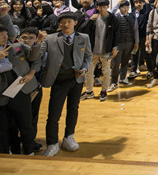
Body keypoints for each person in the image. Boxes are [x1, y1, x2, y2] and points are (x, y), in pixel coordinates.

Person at [35, 12, 92, 156]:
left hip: (76, 79)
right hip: (58, 80)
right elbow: (37, 55)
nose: (65, 24)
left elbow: (88, 56)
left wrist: (84, 68)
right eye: (62, 22)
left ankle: (69, 137)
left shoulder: (83, 38)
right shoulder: (50, 38)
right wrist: (37, 43)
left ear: (75, 23)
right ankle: (52, 143)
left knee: (73, 110)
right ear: (59, 24)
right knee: (54, 114)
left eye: (69, 21)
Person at [0, 25, 42, 155]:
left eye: (6, 34)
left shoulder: (16, 47)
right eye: (2, 35)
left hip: (20, 90)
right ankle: (9, 151)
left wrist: (31, 73)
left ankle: (29, 150)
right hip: (1, 95)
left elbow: (35, 58)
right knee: (4, 127)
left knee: (26, 123)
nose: (5, 37)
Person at [79, 0, 119, 102]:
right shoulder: (93, 18)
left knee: (106, 72)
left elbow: (116, 34)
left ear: (108, 6)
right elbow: (83, 30)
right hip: (92, 50)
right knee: (89, 72)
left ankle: (104, 90)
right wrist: (90, 21)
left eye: (104, 6)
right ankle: (89, 91)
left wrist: (115, 48)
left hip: (106, 50)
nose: (101, 9)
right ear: (96, 7)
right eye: (99, 6)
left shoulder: (112, 18)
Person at [109, 0, 139, 91]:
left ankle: (122, 78)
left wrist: (136, 42)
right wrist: (117, 3)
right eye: (123, 7)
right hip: (118, 43)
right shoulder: (115, 16)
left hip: (129, 42)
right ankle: (113, 82)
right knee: (115, 63)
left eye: (127, 7)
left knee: (125, 62)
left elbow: (135, 30)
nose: (125, 9)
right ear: (119, 8)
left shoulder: (132, 17)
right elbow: (110, 13)